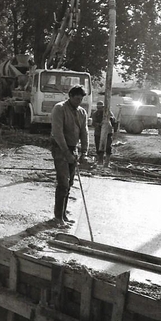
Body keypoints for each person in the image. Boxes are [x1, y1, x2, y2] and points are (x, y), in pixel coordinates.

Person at [50, 85, 89, 226]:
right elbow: (57, 133)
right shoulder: (59, 108)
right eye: (77, 98)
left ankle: (63, 214)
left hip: (74, 148)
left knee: (70, 183)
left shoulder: (82, 112)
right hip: (60, 148)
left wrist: (84, 152)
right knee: (63, 182)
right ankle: (57, 217)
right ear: (70, 96)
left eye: (81, 99)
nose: (79, 101)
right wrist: (66, 153)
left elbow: (84, 132)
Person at [91, 101, 116, 166]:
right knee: (98, 146)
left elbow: (113, 120)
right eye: (98, 108)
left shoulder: (108, 112)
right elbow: (93, 123)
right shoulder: (95, 114)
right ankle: (100, 160)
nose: (100, 109)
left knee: (108, 146)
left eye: (101, 107)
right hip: (98, 133)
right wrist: (99, 125)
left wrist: (109, 119)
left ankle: (107, 161)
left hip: (108, 132)